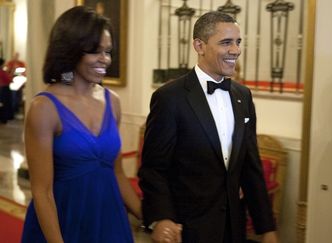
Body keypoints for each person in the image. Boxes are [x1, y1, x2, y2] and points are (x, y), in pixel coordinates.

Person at [138, 11, 278, 243]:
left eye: (238, 42)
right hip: (188, 228)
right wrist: (162, 218)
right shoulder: (170, 98)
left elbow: (250, 167)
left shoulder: (243, 96)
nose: (236, 50)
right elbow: (153, 169)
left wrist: (267, 228)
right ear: (199, 46)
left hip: (233, 228)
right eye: (226, 42)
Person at [21, 6, 141, 243]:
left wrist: (152, 219)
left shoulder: (112, 102)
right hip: (63, 221)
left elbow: (116, 173)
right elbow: (42, 192)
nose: (105, 59)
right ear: (71, 50)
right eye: (95, 51)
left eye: (108, 51)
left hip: (109, 220)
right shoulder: (44, 108)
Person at [0, 58, 13, 123]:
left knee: (2, 103)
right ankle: (4, 118)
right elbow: (8, 80)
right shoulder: (2, 71)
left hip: (2, 88)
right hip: (4, 88)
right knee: (5, 103)